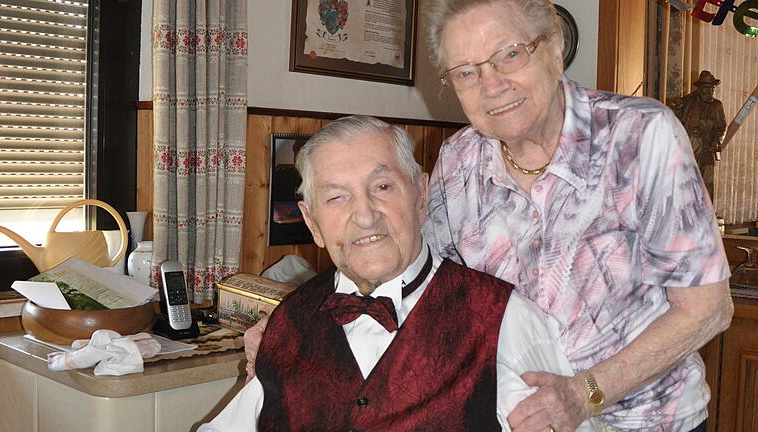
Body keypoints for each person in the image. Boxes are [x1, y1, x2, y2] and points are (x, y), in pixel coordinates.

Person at [420, 1, 733, 431]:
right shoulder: (458, 161)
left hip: (648, 421)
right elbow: (436, 293)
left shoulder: (640, 136)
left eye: (509, 54)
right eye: (466, 72)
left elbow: (708, 310)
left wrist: (584, 394)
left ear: (553, 47)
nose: (491, 85)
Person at [199, 115, 600, 431]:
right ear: (313, 223)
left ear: (422, 195)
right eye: (337, 197)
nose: (364, 215)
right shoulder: (287, 321)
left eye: (383, 187)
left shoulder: (503, 318)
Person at [670, 70, 727, 200]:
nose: (711, 91)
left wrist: (716, 141)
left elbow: (722, 127)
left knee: (707, 181)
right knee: (687, 179)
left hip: (707, 147)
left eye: (712, 87)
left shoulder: (717, 106)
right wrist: (676, 107)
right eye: (708, 88)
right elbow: (673, 118)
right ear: (700, 89)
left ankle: (706, 214)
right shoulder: (687, 102)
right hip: (690, 145)